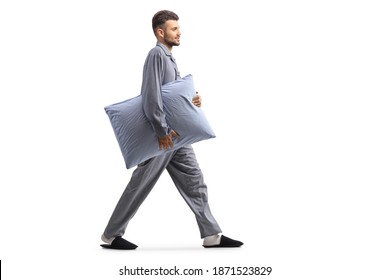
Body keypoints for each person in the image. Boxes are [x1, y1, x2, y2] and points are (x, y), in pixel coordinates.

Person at [101, 10, 243, 249]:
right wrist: (162, 130)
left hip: (178, 137)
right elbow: (151, 96)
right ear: (160, 32)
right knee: (141, 184)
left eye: (179, 28)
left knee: (195, 181)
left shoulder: (169, 58)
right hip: (165, 136)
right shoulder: (156, 54)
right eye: (174, 28)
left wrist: (192, 99)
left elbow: (170, 96)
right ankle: (111, 235)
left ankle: (212, 235)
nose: (179, 32)